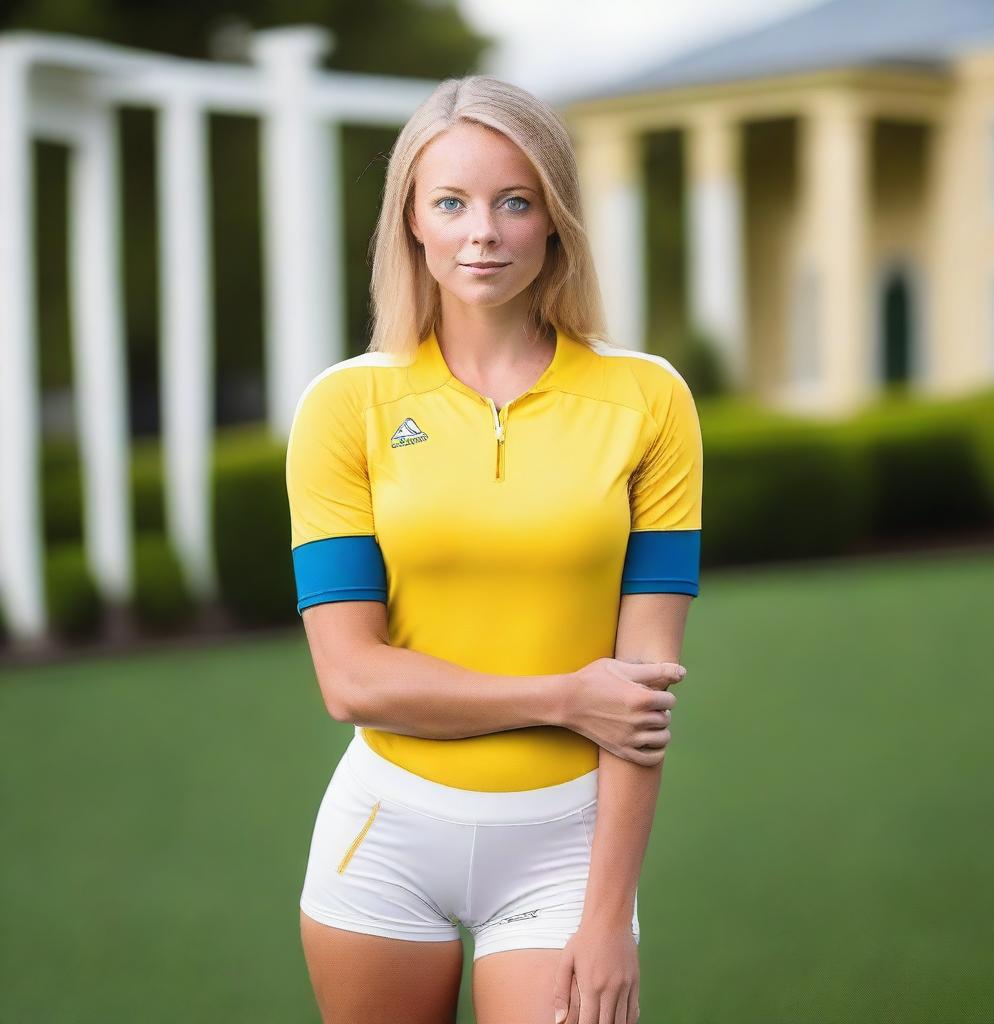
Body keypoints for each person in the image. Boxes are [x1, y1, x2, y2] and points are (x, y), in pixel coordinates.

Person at [286, 74, 703, 1024]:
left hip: (566, 848)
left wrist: (608, 920)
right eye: (452, 202)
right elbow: (350, 681)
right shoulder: (344, 407)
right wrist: (563, 697)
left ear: (555, 221)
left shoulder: (649, 401)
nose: (484, 231)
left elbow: (638, 697)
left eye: (516, 202)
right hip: (385, 836)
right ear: (414, 225)